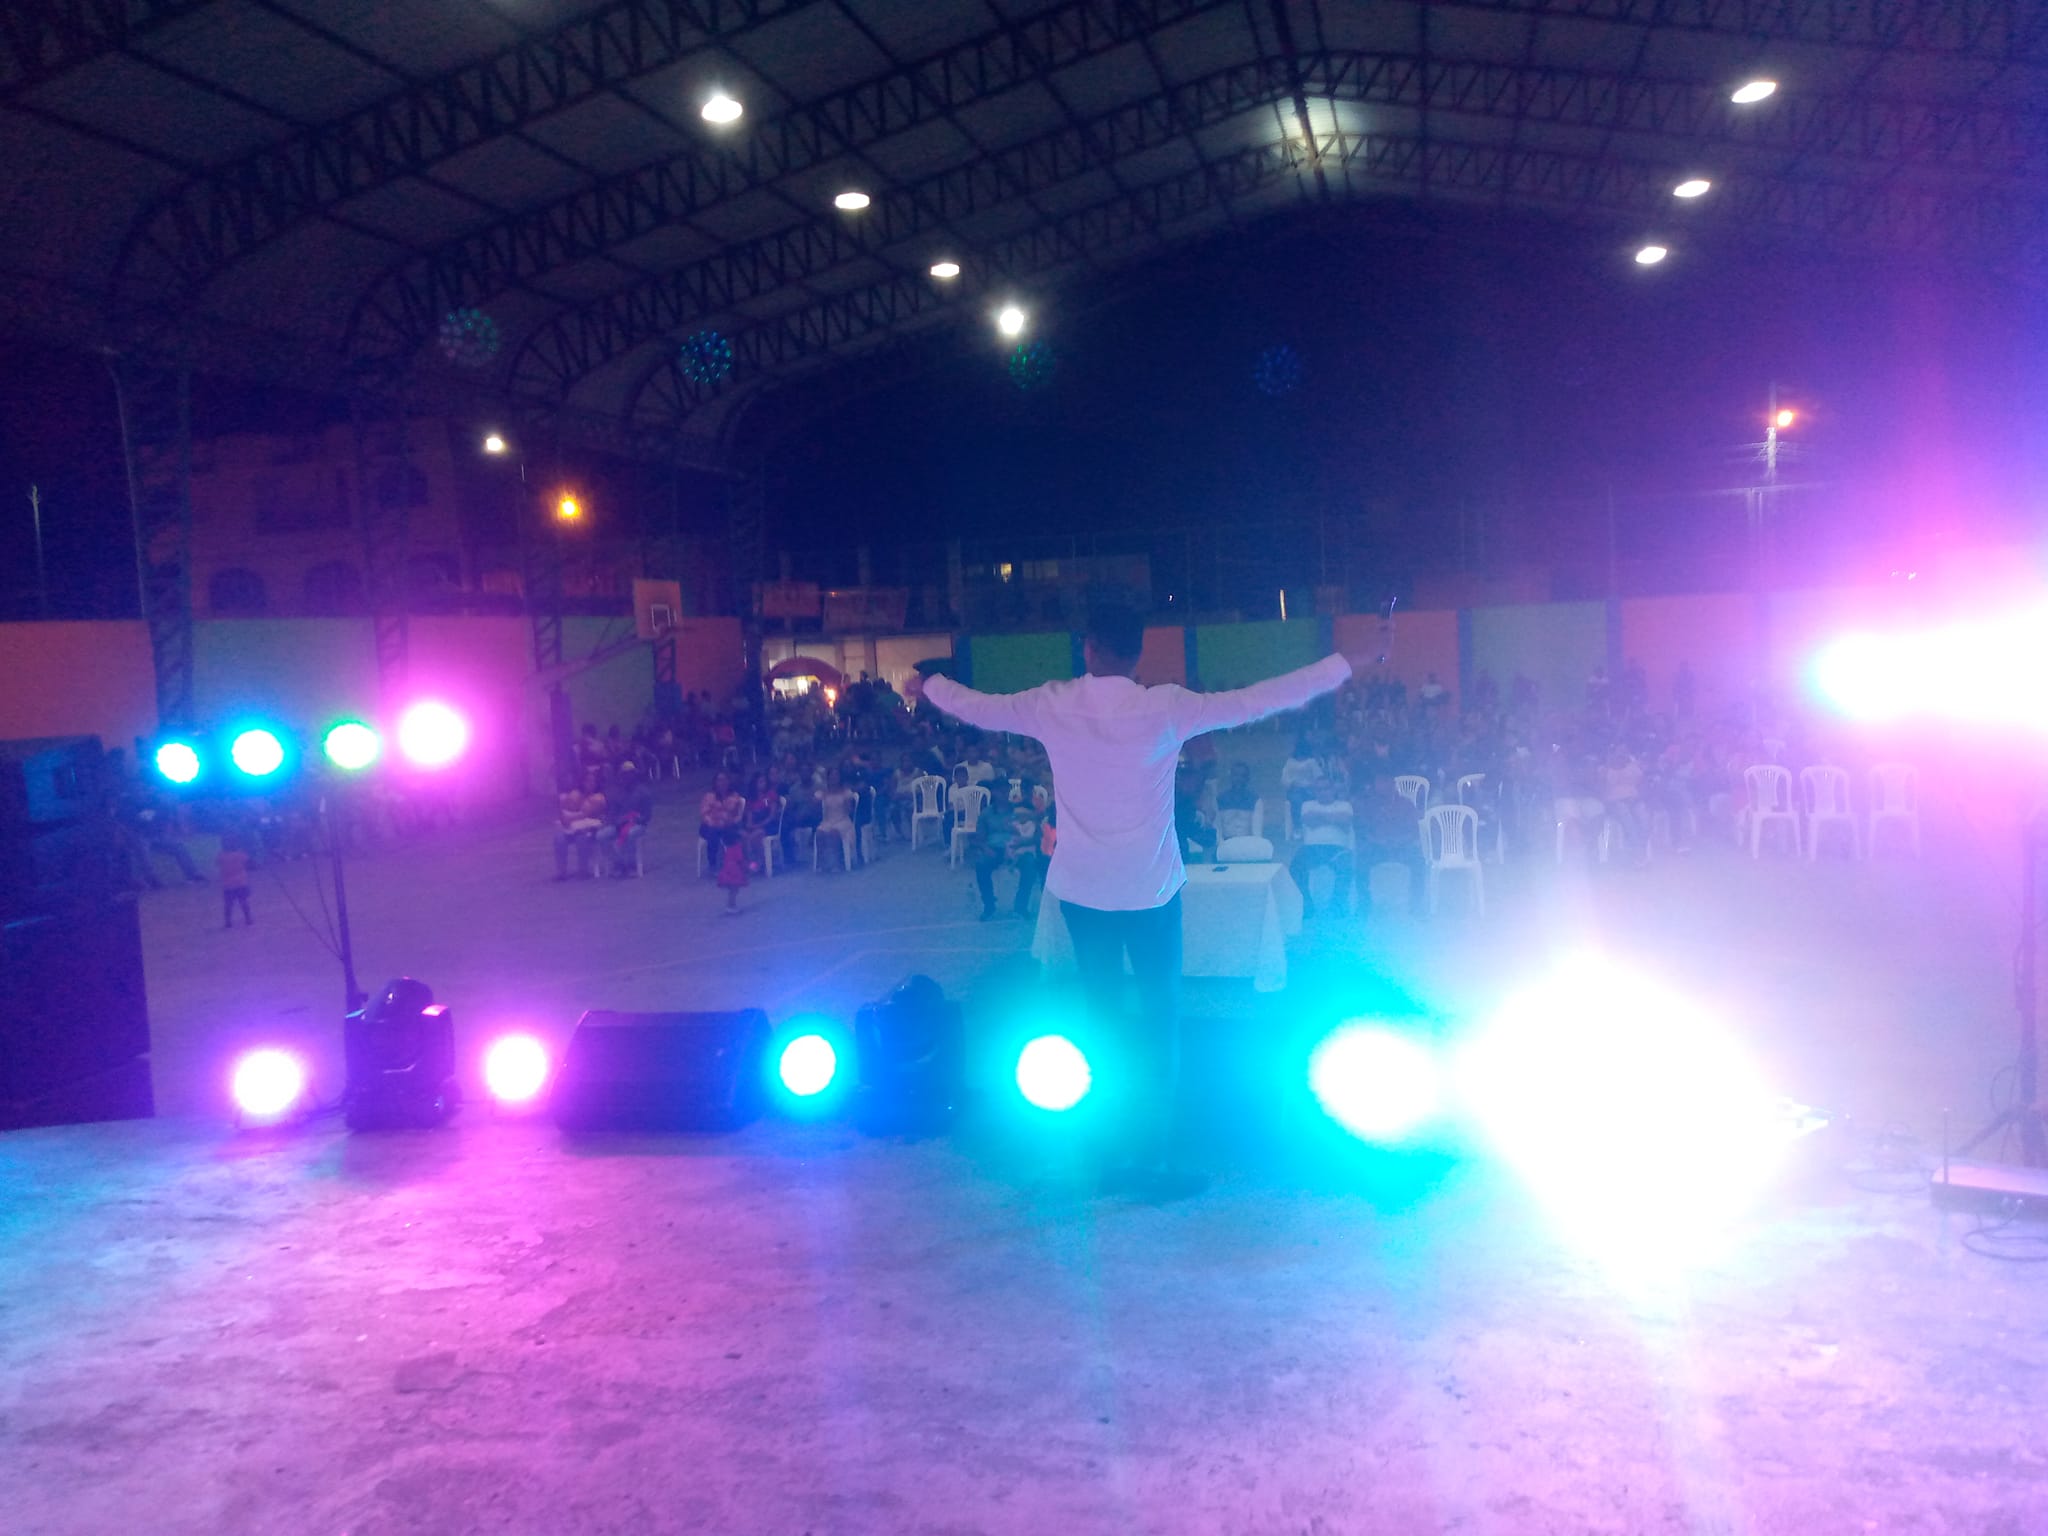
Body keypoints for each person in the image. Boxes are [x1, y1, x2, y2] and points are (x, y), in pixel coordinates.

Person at [920, 600, 1367, 1188]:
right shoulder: (1165, 708)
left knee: (1102, 1019)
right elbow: (1259, 699)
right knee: (1159, 1023)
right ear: (1137, 653)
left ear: (1089, 647)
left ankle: (1105, 1154)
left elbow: (976, 707)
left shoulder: (1052, 704)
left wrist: (928, 684)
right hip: (1150, 892)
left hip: (1082, 893)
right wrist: (1346, 662)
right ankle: (1154, 1159)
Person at [1353, 770, 1426, 915]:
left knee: (1419, 861)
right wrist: (1377, 841)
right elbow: (1362, 830)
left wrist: (1399, 841)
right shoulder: (1368, 804)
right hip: (1378, 847)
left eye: (1384, 781)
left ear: (1393, 784)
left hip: (1401, 847)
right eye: (1378, 782)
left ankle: (1416, 905)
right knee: (1361, 861)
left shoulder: (1406, 804)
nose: (1381, 785)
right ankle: (1364, 904)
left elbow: (1413, 832)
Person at [1290, 774, 1355, 919]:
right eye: (1319, 789)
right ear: (1314, 792)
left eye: (1326, 788)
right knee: (1295, 868)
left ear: (1333, 790)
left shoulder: (1345, 805)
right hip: (1312, 849)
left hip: (1338, 849)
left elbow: (1345, 821)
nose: (1323, 792)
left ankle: (1336, 906)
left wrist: (1320, 817)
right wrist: (1334, 818)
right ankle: (1307, 904)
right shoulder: (1307, 805)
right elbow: (1309, 820)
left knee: (1346, 869)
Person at [972, 795, 1044, 921]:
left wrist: (1023, 842)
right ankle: (989, 906)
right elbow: (978, 838)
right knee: (981, 864)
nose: (1003, 793)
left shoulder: (1018, 810)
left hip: (1019, 848)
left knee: (1030, 864)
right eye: (1000, 790)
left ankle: (1021, 906)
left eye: (1005, 789)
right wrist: (985, 848)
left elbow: (1037, 837)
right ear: (994, 792)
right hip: (994, 849)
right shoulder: (986, 814)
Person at [553, 770, 606, 880]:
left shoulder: (599, 797)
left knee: (581, 838)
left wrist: (573, 816)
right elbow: (564, 816)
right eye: (587, 781)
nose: (590, 783)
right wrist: (576, 815)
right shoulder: (575, 795)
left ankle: (583, 870)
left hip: (591, 829)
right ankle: (561, 872)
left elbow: (586, 813)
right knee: (559, 839)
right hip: (572, 828)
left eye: (593, 781)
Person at [606, 763, 653, 875]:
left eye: (629, 774)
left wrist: (633, 820)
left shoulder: (643, 792)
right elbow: (612, 813)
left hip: (638, 824)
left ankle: (632, 865)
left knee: (631, 833)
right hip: (619, 824)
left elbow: (647, 816)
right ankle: (618, 862)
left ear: (634, 775)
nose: (627, 777)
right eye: (624, 774)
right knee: (601, 836)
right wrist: (616, 821)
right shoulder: (617, 793)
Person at [698, 771, 745, 875]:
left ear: (728, 781)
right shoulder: (709, 796)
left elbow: (735, 813)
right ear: (715, 782)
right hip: (710, 825)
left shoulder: (734, 796)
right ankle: (713, 864)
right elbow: (704, 814)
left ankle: (734, 863)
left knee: (731, 833)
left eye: (724, 779)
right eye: (719, 780)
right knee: (713, 832)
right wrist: (714, 822)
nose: (722, 782)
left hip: (727, 825)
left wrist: (726, 820)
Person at [815, 766, 859, 871]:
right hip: (828, 820)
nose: (834, 778)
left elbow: (850, 810)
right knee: (819, 833)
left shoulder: (846, 791)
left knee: (834, 832)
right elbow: (815, 802)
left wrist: (847, 802)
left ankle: (838, 862)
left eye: (836, 775)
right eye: (831, 775)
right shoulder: (824, 792)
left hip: (843, 820)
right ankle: (822, 862)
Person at [741, 772, 779, 872]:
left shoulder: (771, 795)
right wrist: (750, 825)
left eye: (764, 781)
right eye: (760, 782)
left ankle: (761, 861)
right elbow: (749, 818)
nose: (763, 784)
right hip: (755, 825)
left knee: (756, 835)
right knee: (742, 834)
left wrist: (758, 825)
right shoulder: (751, 799)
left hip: (769, 825)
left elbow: (772, 816)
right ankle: (749, 862)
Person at [1214, 762, 1260, 841]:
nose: (1239, 779)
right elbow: (1217, 828)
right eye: (1235, 775)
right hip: (1225, 843)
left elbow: (1257, 832)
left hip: (1247, 842)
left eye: (1243, 776)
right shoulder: (1220, 799)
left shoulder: (1255, 800)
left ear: (1247, 779)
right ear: (1231, 777)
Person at [217, 834, 253, 928]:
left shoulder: (221, 855)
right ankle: (248, 918)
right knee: (243, 901)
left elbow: (218, 864)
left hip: (228, 884)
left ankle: (228, 921)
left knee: (228, 904)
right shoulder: (240, 854)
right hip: (241, 882)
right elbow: (249, 862)